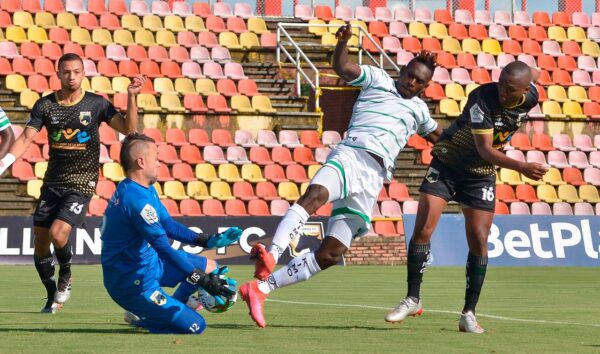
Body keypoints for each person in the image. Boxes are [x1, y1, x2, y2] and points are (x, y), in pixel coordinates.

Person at [239, 24, 443, 328]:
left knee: (332, 253)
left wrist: (476, 145)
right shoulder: (377, 79)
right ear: (402, 70)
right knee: (315, 196)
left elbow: (440, 137)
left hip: (374, 177)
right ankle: (271, 254)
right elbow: (342, 67)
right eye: (410, 74)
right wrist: (344, 42)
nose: (412, 82)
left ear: (425, 87)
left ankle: (260, 289)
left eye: (419, 81)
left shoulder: (419, 111)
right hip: (352, 154)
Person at [385, 61, 547, 333]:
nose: (503, 93)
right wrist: (522, 166)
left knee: (479, 240)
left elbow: (536, 73)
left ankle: (468, 314)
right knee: (423, 228)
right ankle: (413, 298)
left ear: (525, 89)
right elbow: (485, 149)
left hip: (480, 175)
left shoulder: (531, 96)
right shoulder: (481, 99)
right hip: (448, 163)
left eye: (509, 90)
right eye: (501, 86)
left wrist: (530, 72)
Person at [0, 53, 146, 313]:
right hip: (53, 181)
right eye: (66, 72)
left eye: (76, 71)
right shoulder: (45, 106)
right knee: (41, 240)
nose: (72, 76)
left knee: (58, 233)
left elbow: (129, 129)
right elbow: (25, 139)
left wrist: (132, 96)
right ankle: (50, 293)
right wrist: (4, 163)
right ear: (58, 74)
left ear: (83, 73)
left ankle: (66, 273)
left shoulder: (96, 104)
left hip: (82, 181)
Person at [101, 133, 242, 334]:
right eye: (156, 157)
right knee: (196, 326)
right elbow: (164, 248)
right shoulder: (137, 201)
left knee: (211, 266)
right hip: (132, 283)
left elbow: (169, 225)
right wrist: (201, 281)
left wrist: (207, 241)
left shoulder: (144, 189)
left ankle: (167, 308)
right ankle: (145, 317)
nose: (159, 163)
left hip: (151, 265)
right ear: (141, 162)